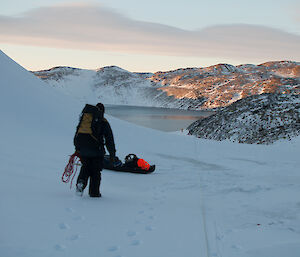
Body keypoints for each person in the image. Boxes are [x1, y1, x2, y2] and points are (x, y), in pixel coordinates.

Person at [74, 103, 116, 197]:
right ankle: (94, 193)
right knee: (96, 171)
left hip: (83, 149)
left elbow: (77, 133)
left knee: (85, 167)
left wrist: (77, 148)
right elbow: (109, 139)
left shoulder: (85, 120)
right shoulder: (103, 121)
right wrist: (112, 155)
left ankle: (81, 182)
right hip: (97, 150)